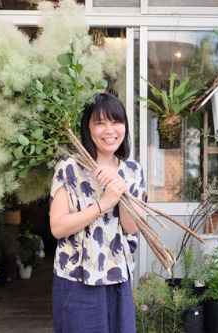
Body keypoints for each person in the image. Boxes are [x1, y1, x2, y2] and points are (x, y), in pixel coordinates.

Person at [49, 92, 146, 333]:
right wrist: (103, 204)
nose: (109, 130)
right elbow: (58, 227)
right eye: (100, 122)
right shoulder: (70, 167)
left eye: (116, 122)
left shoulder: (133, 170)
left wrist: (120, 189)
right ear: (88, 128)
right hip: (77, 279)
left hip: (118, 280)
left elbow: (132, 227)